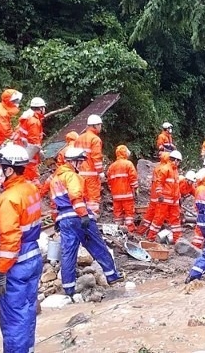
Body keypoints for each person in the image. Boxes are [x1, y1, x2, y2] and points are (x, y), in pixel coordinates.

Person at [47, 147, 124, 297]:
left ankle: (68, 288)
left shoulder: (55, 179)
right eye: (80, 162)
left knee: (68, 253)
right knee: (97, 245)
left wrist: (55, 219)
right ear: (73, 161)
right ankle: (112, 275)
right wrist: (83, 215)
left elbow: (53, 204)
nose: (81, 165)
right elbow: (76, 197)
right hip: (77, 218)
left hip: (64, 220)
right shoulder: (71, 177)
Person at [0, 143, 42, 353]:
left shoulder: (8, 199)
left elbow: (10, 241)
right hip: (32, 258)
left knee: (13, 317)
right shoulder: (30, 189)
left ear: (9, 169)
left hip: (16, 263)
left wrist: (1, 271)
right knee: (27, 310)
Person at [146, 150, 182, 243]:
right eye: (179, 161)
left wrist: (178, 197)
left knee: (175, 220)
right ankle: (151, 237)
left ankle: (177, 239)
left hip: (173, 201)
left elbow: (176, 186)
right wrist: (160, 194)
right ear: (176, 160)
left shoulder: (175, 171)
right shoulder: (165, 169)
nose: (179, 164)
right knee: (158, 218)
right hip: (165, 200)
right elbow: (159, 182)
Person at [72, 114, 104, 217]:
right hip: (91, 174)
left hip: (79, 174)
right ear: (94, 126)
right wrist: (101, 172)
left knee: (82, 196)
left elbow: (74, 157)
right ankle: (92, 219)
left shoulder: (79, 139)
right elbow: (96, 157)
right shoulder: (95, 139)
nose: (100, 127)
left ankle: (82, 217)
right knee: (93, 198)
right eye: (99, 125)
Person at [136, 151, 170, 235]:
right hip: (160, 196)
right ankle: (151, 235)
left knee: (149, 215)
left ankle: (140, 231)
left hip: (154, 196)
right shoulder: (166, 169)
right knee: (158, 217)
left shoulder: (157, 168)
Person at [107, 145, 139, 233]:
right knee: (129, 213)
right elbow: (133, 178)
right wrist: (135, 189)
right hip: (127, 194)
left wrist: (113, 191)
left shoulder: (112, 166)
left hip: (116, 195)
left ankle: (118, 229)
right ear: (125, 153)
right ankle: (129, 229)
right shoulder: (128, 164)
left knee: (117, 213)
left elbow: (109, 182)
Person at [16, 97, 46, 184]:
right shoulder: (34, 121)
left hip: (23, 148)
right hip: (30, 151)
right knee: (31, 173)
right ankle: (35, 191)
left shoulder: (27, 117)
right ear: (41, 108)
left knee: (24, 170)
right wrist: (39, 151)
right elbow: (34, 140)